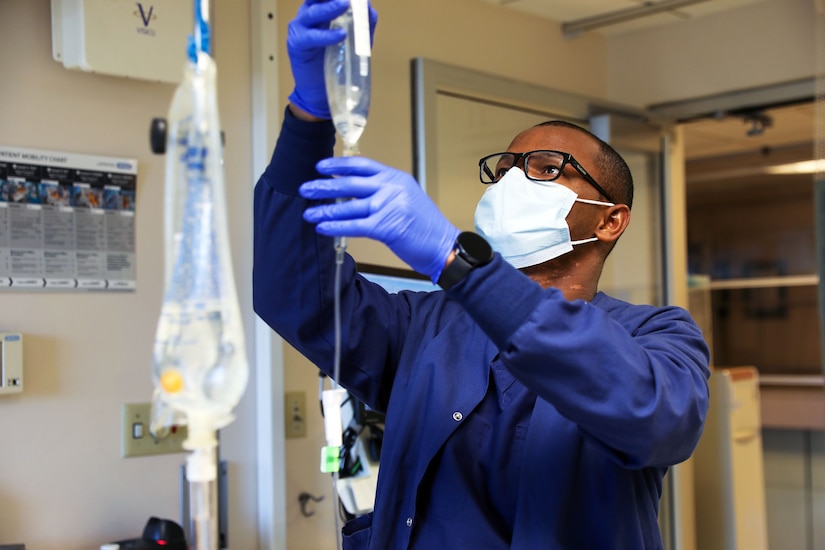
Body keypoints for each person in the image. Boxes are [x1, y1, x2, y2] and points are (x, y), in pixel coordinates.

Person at [253, 1, 711, 548]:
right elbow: (293, 290)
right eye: (504, 169)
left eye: (546, 169)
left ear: (612, 220)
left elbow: (649, 412)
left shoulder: (658, 337)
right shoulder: (426, 327)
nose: (512, 182)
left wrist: (456, 259)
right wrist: (311, 116)